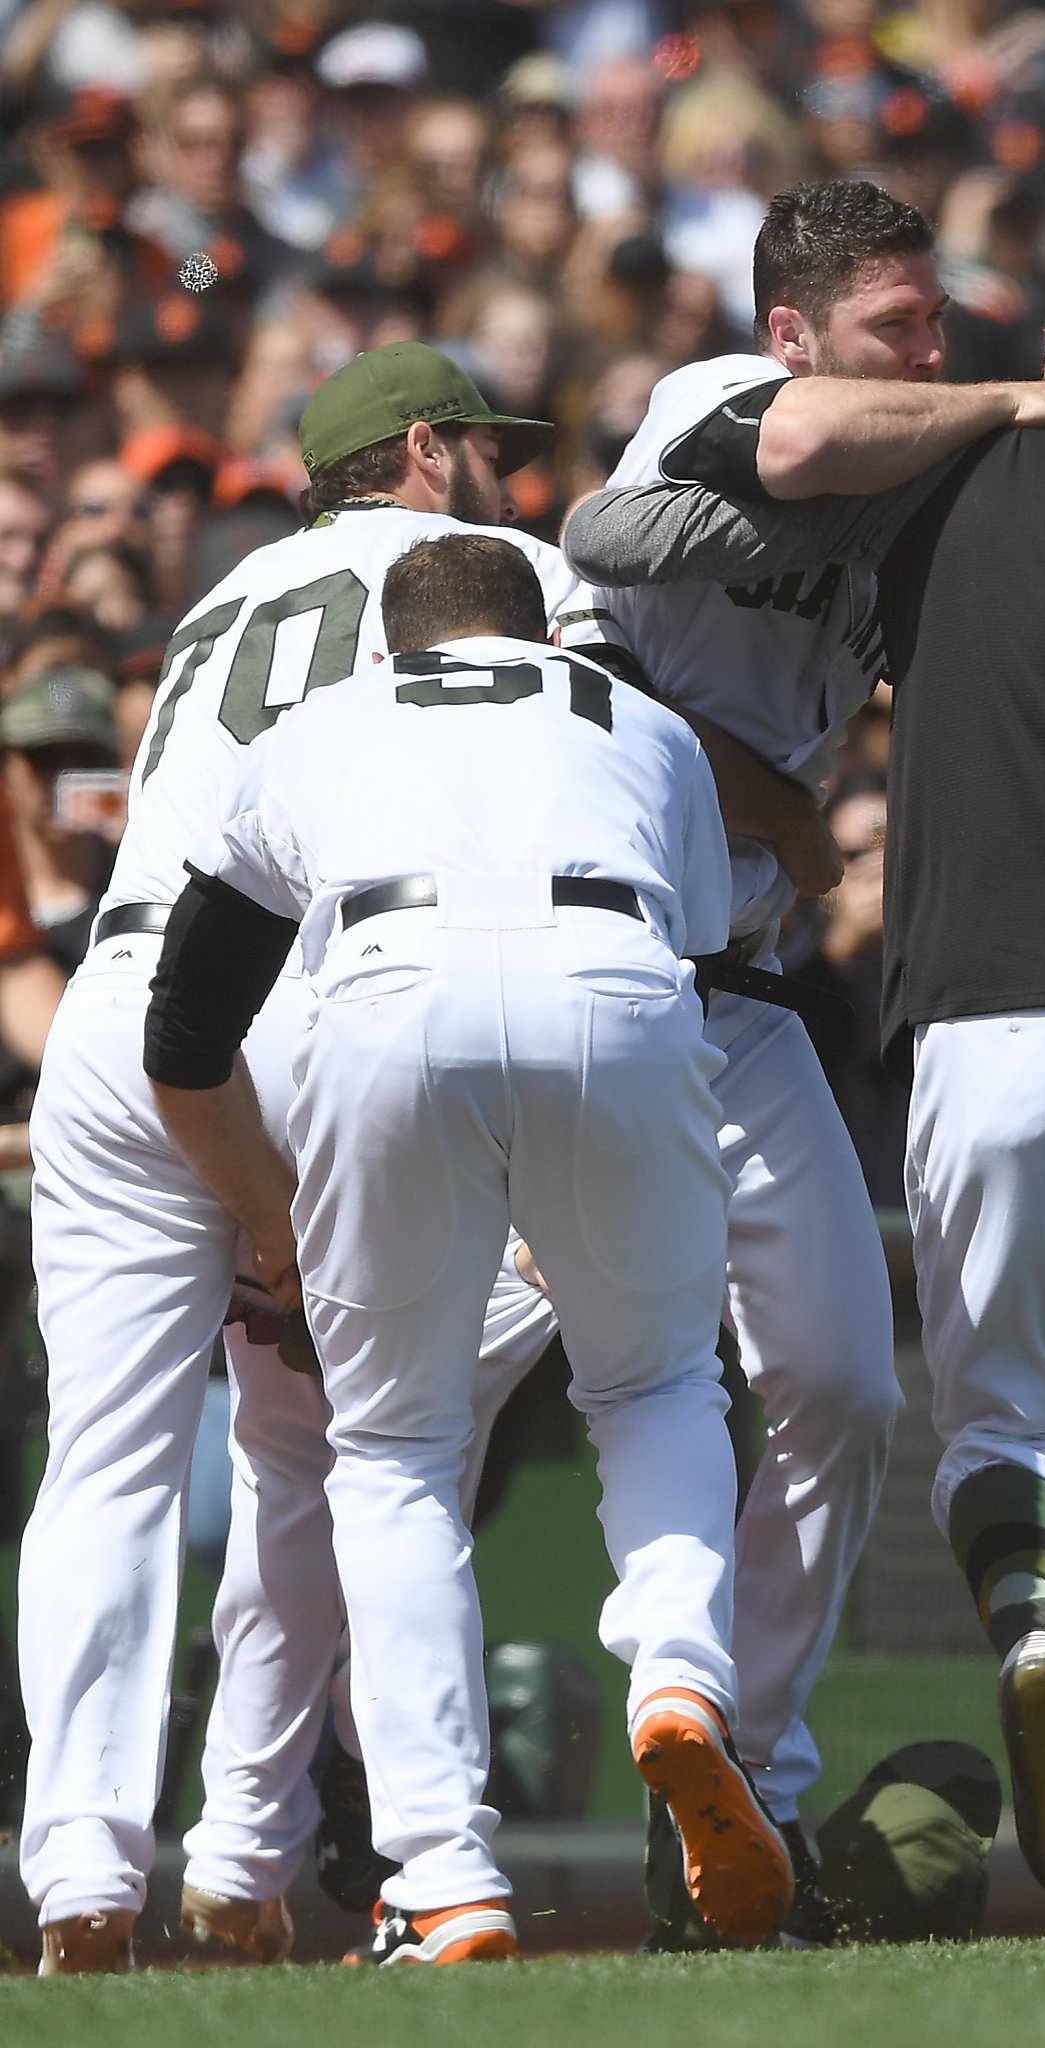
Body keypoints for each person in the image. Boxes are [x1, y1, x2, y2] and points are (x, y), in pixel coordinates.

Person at [562, 198, 1045, 1936]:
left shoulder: (952, 495)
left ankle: (1031, 1632)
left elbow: (634, 523)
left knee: (1006, 1424)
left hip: (1002, 1014)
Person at [477, 176, 1045, 1942]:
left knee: (853, 1394)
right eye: (897, 327)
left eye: (943, 322)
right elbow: (681, 554)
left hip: (749, 995)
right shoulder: (713, 400)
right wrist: (1024, 395)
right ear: (793, 331)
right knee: (405, 1412)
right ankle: (347, 1807)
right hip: (574, 980)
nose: (933, 352)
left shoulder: (920, 482)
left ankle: (741, 1814)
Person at [143, 530, 793, 1965]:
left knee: (389, 1455)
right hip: (618, 984)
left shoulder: (318, 723)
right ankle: (679, 1680)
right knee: (660, 1387)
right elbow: (690, 955)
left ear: (391, 651)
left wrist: (269, 1215)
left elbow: (182, 1030)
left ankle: (446, 1877)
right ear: (546, 637)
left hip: (388, 992)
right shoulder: (645, 726)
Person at [14, 341, 571, 1977]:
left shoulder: (215, 600)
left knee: (102, 1466)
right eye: (485, 446)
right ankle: (265, 1848)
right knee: (332, 1448)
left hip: (122, 1007)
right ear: (422, 450)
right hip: (310, 993)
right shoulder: (497, 573)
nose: (507, 476)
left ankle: (81, 1876)